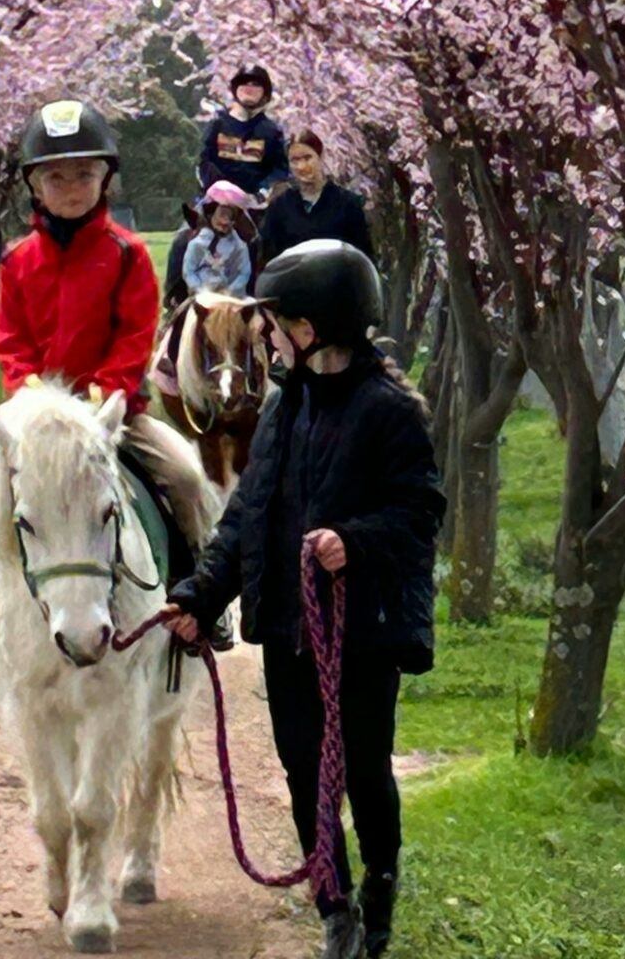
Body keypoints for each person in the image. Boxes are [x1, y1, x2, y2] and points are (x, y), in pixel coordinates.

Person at [159, 240, 443, 959]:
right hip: (291, 627)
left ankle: (379, 881)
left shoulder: (388, 411)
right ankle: (333, 902)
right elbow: (247, 518)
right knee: (301, 766)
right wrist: (200, 592)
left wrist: (356, 539)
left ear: (312, 329)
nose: (265, 336)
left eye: (275, 323)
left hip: (362, 631)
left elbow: (419, 510)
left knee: (365, 768)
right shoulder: (284, 410)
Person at [0, 98, 218, 672]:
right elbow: (11, 342)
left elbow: (134, 336)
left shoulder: (127, 254)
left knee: (184, 475)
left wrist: (100, 402)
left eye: (84, 173)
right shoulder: (16, 260)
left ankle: (196, 594)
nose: (72, 186)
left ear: (105, 177)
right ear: (35, 185)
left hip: (113, 414)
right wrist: (35, 398)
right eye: (56, 175)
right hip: (35, 419)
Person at [258, 132, 375, 267]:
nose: (302, 166)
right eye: (294, 160)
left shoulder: (347, 204)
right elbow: (268, 261)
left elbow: (364, 259)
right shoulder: (280, 207)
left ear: (321, 157)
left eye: (307, 158)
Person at [198, 64, 290, 197]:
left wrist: (261, 192)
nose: (249, 88)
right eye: (244, 82)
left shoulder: (272, 132)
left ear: (265, 93)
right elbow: (204, 160)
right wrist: (219, 188)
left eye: (255, 84)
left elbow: (279, 169)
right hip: (216, 199)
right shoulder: (217, 126)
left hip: (255, 204)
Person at [183, 181, 254, 298]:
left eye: (229, 217)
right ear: (212, 215)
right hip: (201, 294)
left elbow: (244, 272)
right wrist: (199, 290)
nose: (224, 223)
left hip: (229, 297)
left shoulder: (239, 246)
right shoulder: (197, 244)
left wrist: (230, 291)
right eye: (221, 215)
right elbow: (189, 271)